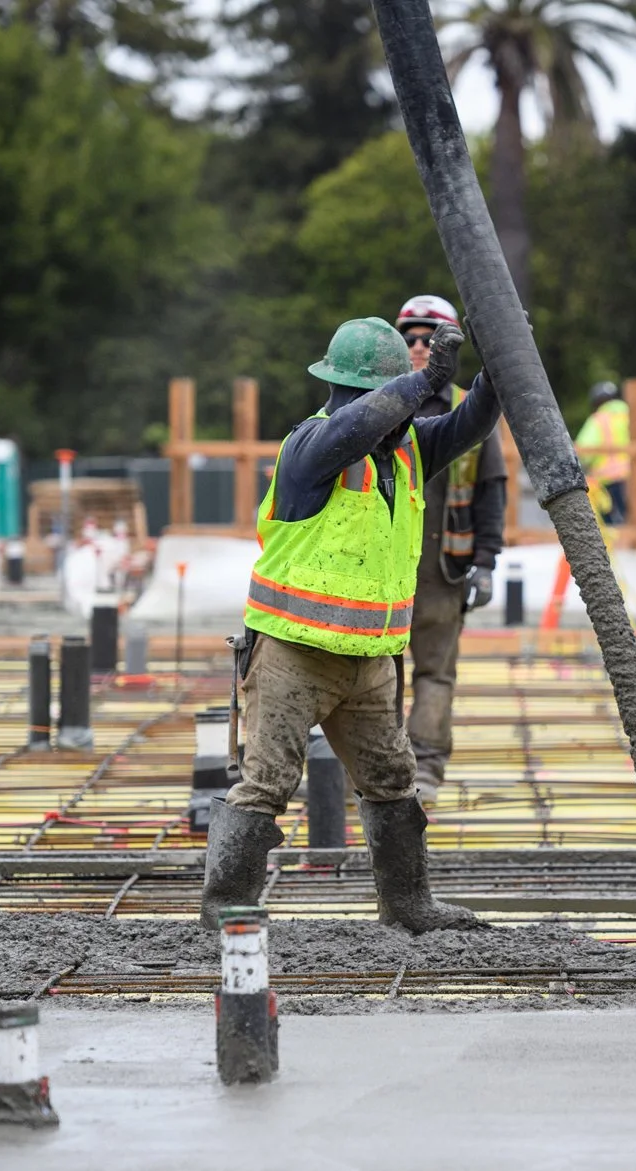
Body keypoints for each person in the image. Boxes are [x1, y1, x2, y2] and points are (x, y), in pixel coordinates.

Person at [200, 315, 498, 931]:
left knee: (393, 781)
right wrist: (419, 383)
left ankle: (408, 904)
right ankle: (225, 912)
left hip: (369, 661)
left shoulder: (410, 448)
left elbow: (473, 422)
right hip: (293, 654)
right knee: (266, 783)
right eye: (383, 400)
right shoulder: (309, 447)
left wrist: (500, 363)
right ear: (353, 397)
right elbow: (354, 429)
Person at [395, 294, 507, 804]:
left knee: (434, 672)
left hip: (440, 571)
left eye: (428, 337)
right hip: (381, 570)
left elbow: (491, 490)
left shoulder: (470, 410)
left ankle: (427, 769)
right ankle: (383, 770)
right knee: (376, 674)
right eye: (409, 337)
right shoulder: (378, 403)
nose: (418, 346)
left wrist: (485, 563)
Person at [575, 380, 636, 523]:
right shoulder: (633, 415)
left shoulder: (599, 419)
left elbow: (585, 451)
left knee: (616, 525)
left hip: (612, 479)